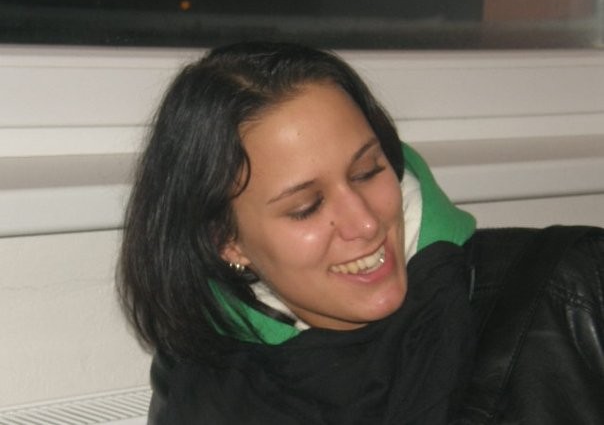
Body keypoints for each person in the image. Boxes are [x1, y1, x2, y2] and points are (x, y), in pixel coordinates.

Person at [117, 42, 604, 424]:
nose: (366, 223)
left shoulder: (571, 294)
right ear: (228, 241)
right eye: (306, 208)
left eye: (368, 172)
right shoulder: (198, 380)